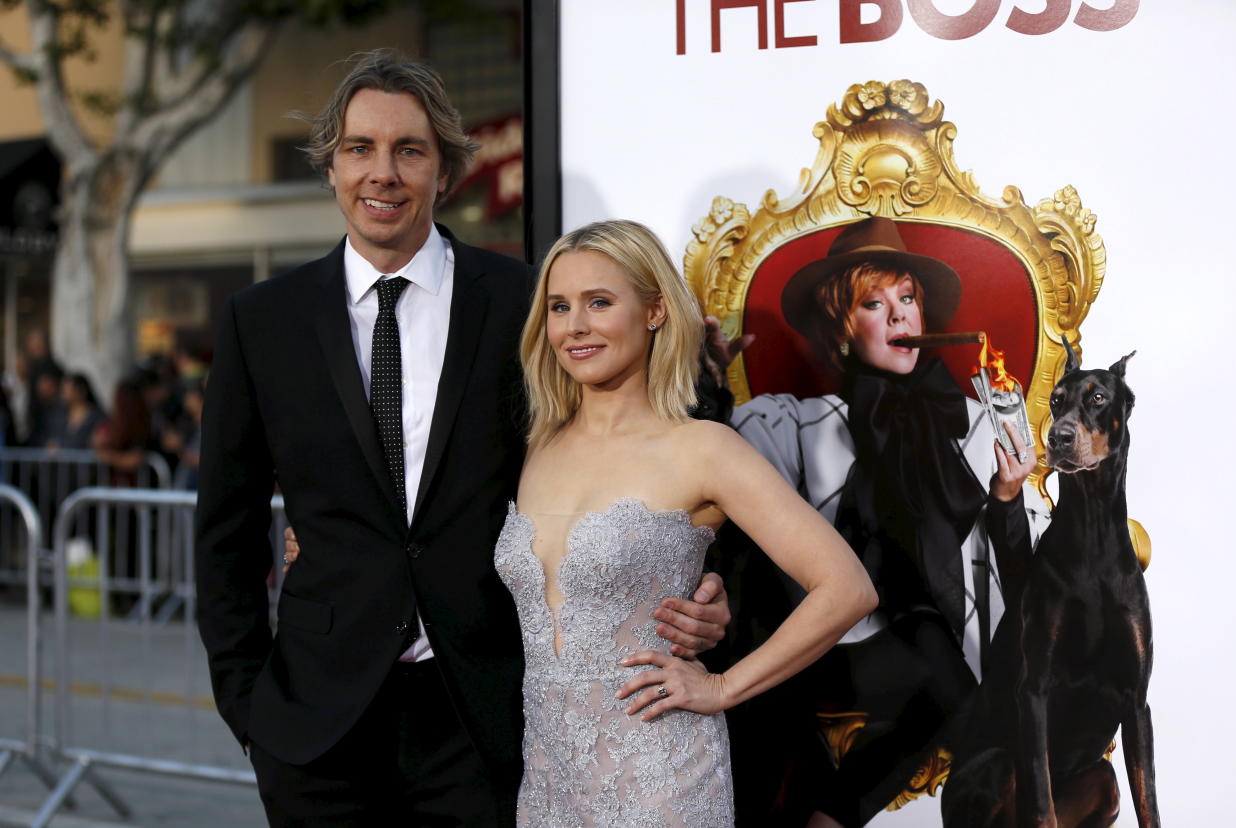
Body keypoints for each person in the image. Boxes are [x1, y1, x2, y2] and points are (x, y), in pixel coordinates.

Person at [194, 50, 729, 827]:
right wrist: (249, 708)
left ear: (443, 170)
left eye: (409, 150)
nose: (383, 172)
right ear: (332, 168)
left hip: (484, 716)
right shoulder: (261, 320)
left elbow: (655, 441)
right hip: (314, 728)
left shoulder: (525, 301)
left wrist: (709, 586)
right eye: (359, 149)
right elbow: (225, 527)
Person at [493, 219, 878, 826]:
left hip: (660, 779)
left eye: (599, 302)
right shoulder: (539, 446)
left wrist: (723, 687)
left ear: (653, 311)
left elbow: (847, 588)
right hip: (549, 784)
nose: (575, 326)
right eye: (559, 306)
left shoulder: (703, 449)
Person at [715, 216, 1051, 826]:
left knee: (950, 673)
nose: (899, 316)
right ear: (842, 331)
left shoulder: (972, 423)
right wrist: (706, 391)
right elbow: (717, 472)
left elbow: (1021, 570)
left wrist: (1005, 496)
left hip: (946, 648)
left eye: (907, 298)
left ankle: (832, 817)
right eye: (874, 303)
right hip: (831, 644)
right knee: (946, 671)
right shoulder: (800, 423)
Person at [47, 373, 106, 450]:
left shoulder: (97, 416)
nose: (63, 394)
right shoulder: (60, 416)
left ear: (80, 391)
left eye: (67, 390)